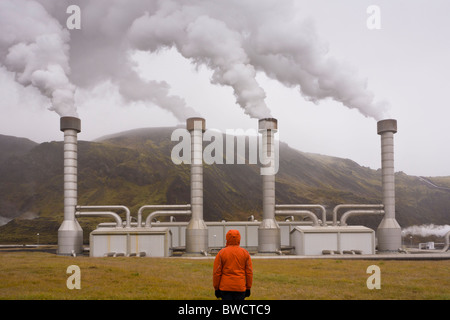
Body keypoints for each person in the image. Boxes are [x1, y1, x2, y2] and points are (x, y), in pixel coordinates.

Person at [213, 229, 253, 300]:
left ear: (227, 238)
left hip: (225, 288)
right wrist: (248, 287)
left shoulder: (221, 253)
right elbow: (249, 272)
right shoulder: (245, 253)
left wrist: (216, 288)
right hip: (240, 287)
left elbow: (217, 272)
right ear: (239, 238)